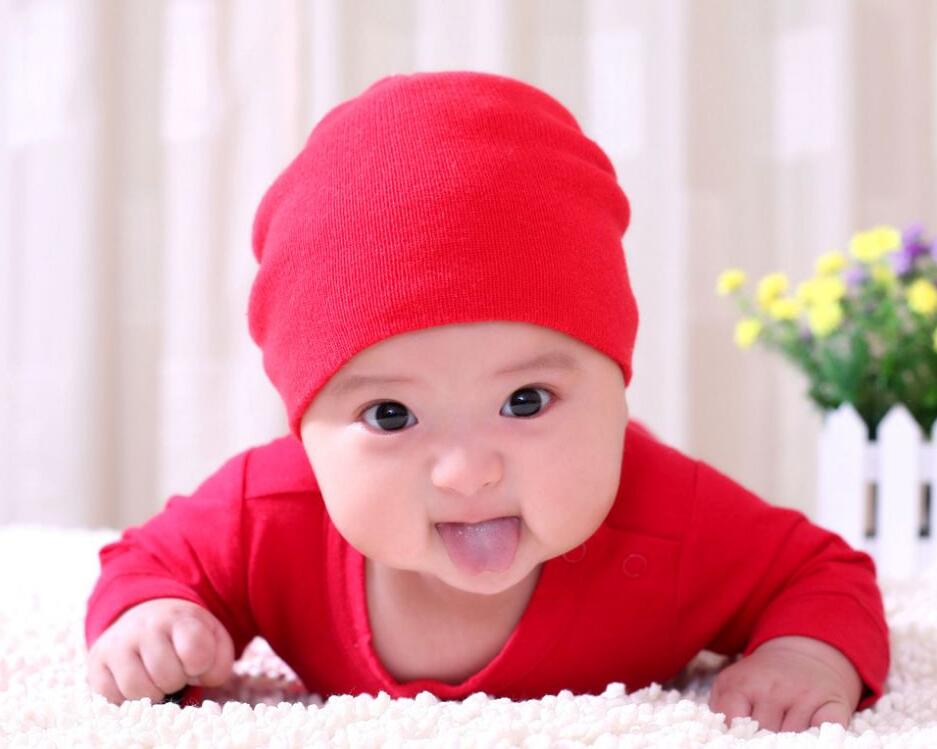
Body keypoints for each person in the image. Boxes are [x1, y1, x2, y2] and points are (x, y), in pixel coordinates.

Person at [84, 70, 888, 733]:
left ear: (615, 389)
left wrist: (803, 654)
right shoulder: (270, 510)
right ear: (306, 429)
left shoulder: (668, 517)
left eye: (526, 400)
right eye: (391, 415)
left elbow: (819, 572)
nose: (468, 471)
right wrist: (153, 620)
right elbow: (148, 563)